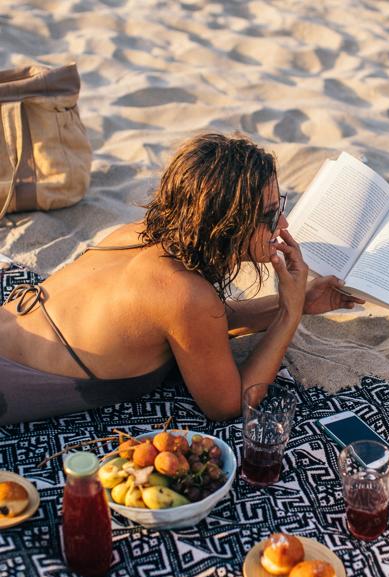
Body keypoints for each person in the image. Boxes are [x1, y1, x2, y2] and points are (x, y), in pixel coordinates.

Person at [0, 133, 363, 424]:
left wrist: (297, 301)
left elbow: (200, 324)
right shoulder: (184, 294)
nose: (283, 225)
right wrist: (289, 316)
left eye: (279, 208)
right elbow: (228, 405)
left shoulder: (133, 234)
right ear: (225, 224)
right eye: (269, 216)